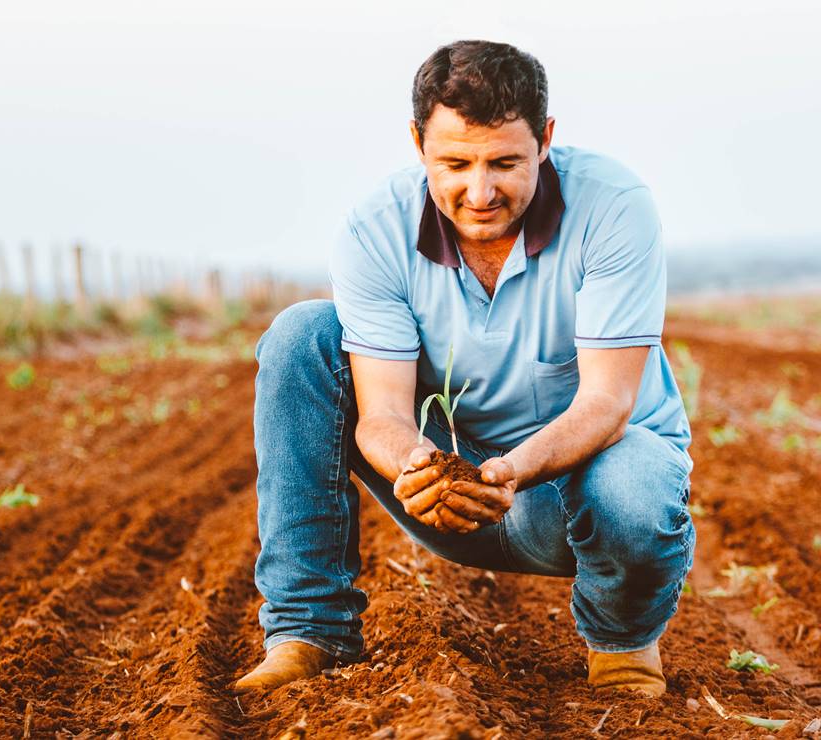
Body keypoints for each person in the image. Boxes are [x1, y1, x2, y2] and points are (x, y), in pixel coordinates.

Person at [235, 39, 694, 698]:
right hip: (454, 495)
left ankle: (622, 644)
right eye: (454, 163)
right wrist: (417, 465)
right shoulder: (375, 229)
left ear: (546, 140)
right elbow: (383, 415)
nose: (480, 192)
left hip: (578, 498)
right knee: (301, 334)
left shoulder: (613, 206)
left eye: (505, 162)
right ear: (418, 143)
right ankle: (309, 630)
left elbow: (608, 404)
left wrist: (513, 470)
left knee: (638, 470)